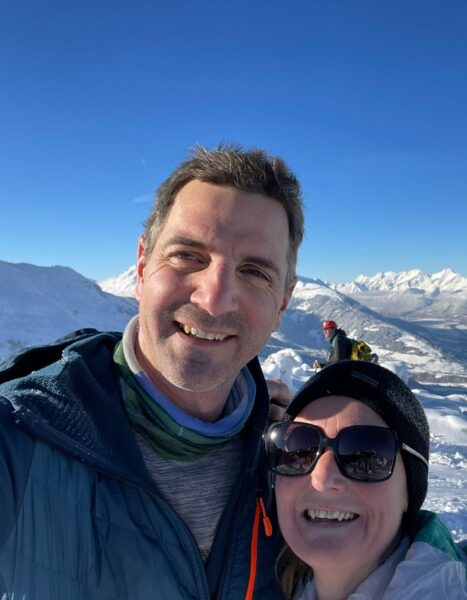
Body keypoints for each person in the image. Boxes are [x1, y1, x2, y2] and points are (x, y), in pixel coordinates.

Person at [0, 144, 304, 599]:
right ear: (142, 267)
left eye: (255, 271)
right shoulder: (19, 438)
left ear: (283, 301)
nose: (214, 299)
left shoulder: (297, 466)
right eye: (188, 255)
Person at [264, 361, 467, 599]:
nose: (322, 479)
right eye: (300, 452)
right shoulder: (254, 580)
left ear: (408, 492)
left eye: (364, 455)